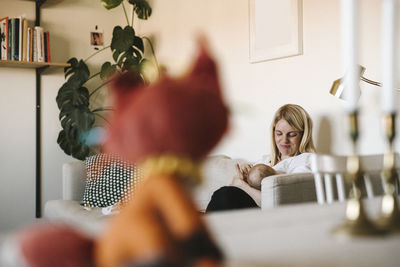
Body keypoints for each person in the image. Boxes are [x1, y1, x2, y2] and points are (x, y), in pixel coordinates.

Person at [206, 104, 316, 212]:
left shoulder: (306, 160)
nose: (284, 140)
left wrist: (242, 186)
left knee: (225, 195)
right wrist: (243, 177)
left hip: (267, 213)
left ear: (303, 135)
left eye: (291, 134)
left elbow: (280, 201)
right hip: (242, 208)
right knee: (222, 194)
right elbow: (234, 183)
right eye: (279, 134)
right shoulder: (265, 160)